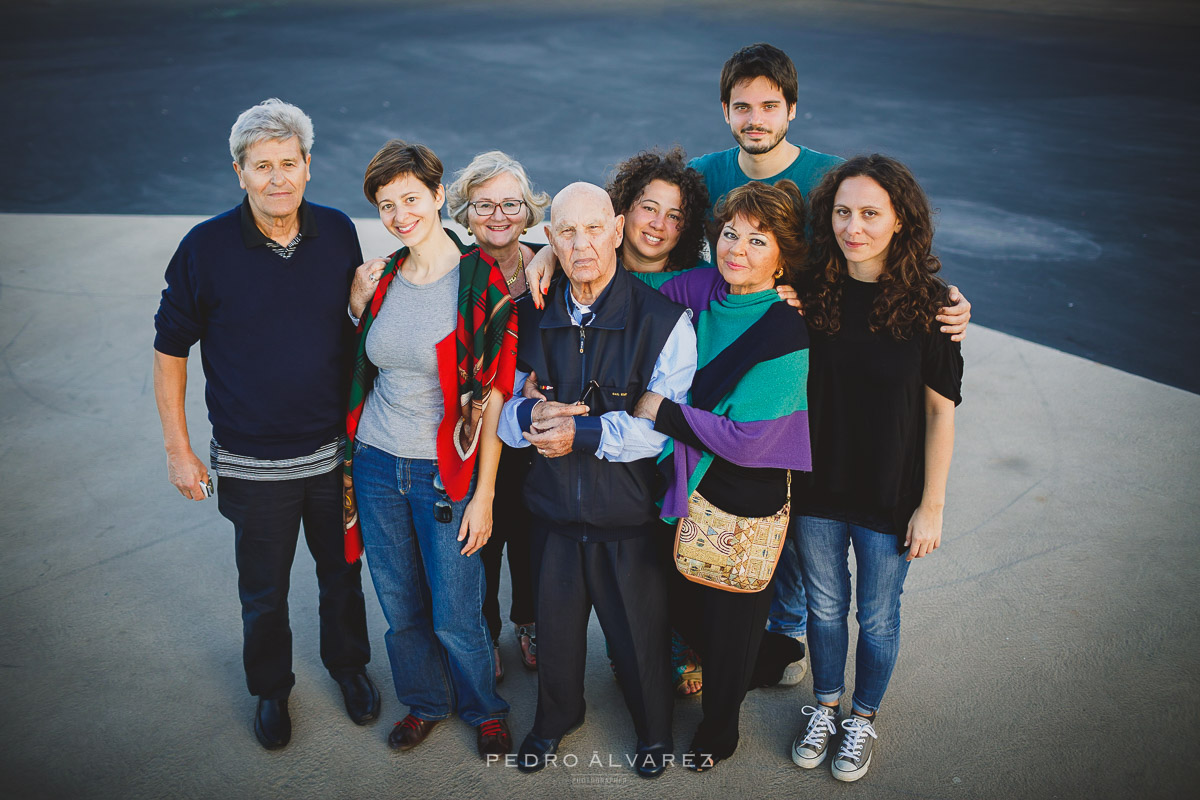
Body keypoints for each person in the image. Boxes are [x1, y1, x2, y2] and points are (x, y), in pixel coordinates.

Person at [690, 43, 973, 687]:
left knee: (856, 594)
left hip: (851, 425)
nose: (755, 118)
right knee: (779, 538)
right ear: (726, 112)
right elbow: (639, 220)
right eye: (742, 107)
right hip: (759, 387)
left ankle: (797, 648)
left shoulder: (834, 175)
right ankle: (768, 645)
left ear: (792, 108)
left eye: (769, 105)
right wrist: (541, 256)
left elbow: (889, 247)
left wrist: (950, 303)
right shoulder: (705, 176)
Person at [152, 98, 377, 751]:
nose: (276, 178)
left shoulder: (337, 231)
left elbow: (350, 323)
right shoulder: (205, 247)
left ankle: (349, 668)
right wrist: (179, 451)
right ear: (239, 172)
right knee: (263, 591)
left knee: (342, 575)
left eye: (288, 163)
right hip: (252, 464)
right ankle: (272, 691)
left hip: (334, 454)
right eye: (261, 167)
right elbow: (170, 351)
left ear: (307, 167)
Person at [497, 182, 697, 778]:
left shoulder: (664, 321)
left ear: (615, 230)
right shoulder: (531, 314)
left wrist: (579, 435)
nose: (582, 244)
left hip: (627, 519)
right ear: (550, 241)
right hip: (553, 514)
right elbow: (501, 414)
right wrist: (530, 416)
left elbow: (660, 431)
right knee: (556, 639)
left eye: (593, 229)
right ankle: (554, 720)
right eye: (567, 232)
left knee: (639, 641)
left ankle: (654, 733)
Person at [788, 155, 962, 782]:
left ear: (899, 221)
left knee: (879, 614)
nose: (852, 226)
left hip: (891, 493)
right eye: (842, 212)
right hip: (816, 486)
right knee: (826, 608)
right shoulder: (808, 291)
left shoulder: (933, 306)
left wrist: (932, 505)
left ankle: (862, 716)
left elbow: (942, 415)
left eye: (869, 213)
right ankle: (826, 705)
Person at [630, 180, 814, 771]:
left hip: (742, 489)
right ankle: (772, 657)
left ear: (782, 256)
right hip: (684, 475)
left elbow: (749, 439)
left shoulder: (785, 329)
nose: (737, 249)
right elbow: (635, 287)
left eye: (758, 241)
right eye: (730, 234)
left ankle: (721, 726)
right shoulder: (708, 287)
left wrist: (662, 411)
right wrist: (554, 252)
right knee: (683, 602)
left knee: (729, 620)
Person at [343, 140, 518, 759]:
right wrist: (355, 307)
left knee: (456, 609)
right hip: (375, 463)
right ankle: (425, 701)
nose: (399, 215)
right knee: (399, 603)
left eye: (410, 199)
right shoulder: (383, 277)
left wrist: (486, 495)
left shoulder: (478, 279)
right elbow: (366, 365)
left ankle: (483, 708)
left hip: (447, 472)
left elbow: (495, 397)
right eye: (386, 205)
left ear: (440, 197)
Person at [445, 151, 551, 679]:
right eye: (483, 205)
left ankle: (528, 620)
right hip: (471, 429)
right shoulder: (454, 272)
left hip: (532, 432)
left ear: (528, 211)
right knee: (480, 538)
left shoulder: (546, 266)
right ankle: (483, 627)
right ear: (464, 214)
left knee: (532, 534)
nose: (498, 215)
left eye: (511, 203)